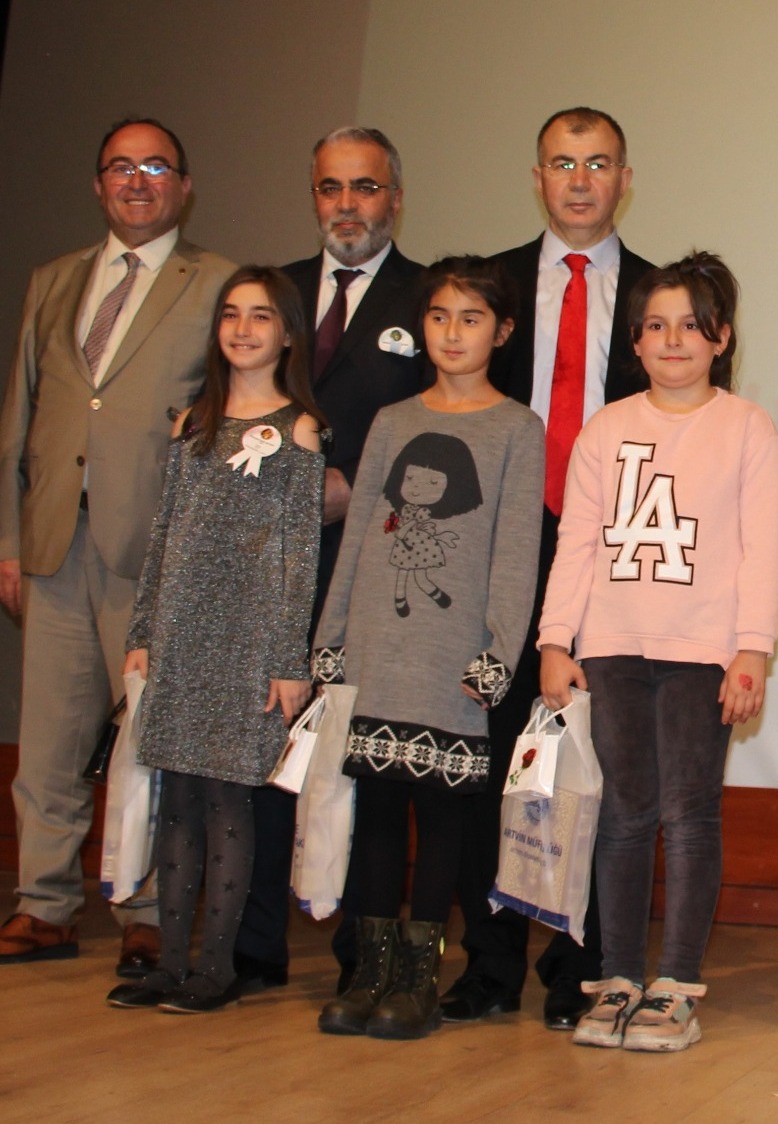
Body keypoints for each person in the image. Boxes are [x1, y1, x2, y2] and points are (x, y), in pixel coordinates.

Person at [0, 119, 235, 975]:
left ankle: (146, 910)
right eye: (121, 168)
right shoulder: (54, 280)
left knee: (149, 743)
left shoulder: (218, 284)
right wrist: (9, 540)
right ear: (99, 185)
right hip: (54, 543)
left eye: (156, 167)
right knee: (49, 744)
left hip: (154, 552)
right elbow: (20, 417)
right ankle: (43, 905)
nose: (138, 181)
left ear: (185, 186)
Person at [538, 251, 778, 1052]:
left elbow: (762, 549)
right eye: (655, 325)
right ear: (636, 342)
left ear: (721, 338)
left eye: (690, 325)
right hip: (611, 646)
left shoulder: (747, 427)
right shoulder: (606, 430)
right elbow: (578, 542)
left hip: (701, 651)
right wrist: (554, 640)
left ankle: (676, 984)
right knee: (622, 812)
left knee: (688, 812)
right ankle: (616, 977)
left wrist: (752, 649)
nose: (673, 340)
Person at [446, 106, 653, 1030]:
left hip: (609, 552)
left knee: (592, 764)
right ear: (537, 178)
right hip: (496, 546)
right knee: (489, 756)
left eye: (597, 163)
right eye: (562, 164)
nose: (579, 180)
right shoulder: (485, 287)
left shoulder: (657, 296)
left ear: (625, 180)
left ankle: (581, 965)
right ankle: (488, 966)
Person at [310, 256, 542, 1039]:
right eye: (439, 316)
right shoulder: (392, 421)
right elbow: (355, 540)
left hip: (453, 660)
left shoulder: (517, 429)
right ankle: (369, 975)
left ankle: (416, 982)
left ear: (501, 332)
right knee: (377, 811)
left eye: (471, 319)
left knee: (442, 818)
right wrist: (331, 640)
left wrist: (497, 656)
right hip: (377, 647)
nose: (452, 333)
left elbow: (515, 555)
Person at [234, 125, 428, 995]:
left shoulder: (429, 299)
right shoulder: (268, 294)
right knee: (264, 746)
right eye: (329, 187)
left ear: (396, 197)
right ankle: (254, 944)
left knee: (355, 753)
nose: (346, 205)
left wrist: (362, 488)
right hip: (268, 560)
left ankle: (360, 949)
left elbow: (443, 425)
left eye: (365, 187)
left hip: (376, 561)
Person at [103, 266, 323, 1012]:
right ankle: (169, 963)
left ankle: (218, 967)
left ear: (287, 333)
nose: (243, 329)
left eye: (261, 316)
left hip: (250, 641)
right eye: (231, 314)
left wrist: (288, 658)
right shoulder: (191, 422)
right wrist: (143, 631)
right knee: (178, 801)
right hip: (180, 634)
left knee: (229, 800)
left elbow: (299, 557)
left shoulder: (298, 430)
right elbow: (164, 534)